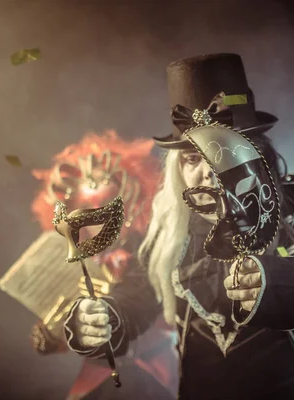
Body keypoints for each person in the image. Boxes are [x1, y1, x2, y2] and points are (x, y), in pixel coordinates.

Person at [63, 53, 294, 400]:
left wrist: (282, 283)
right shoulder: (169, 224)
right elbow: (138, 292)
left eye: (223, 151)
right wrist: (104, 319)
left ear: (257, 152)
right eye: (192, 158)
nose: (207, 171)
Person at [27, 131, 178, 399]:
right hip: (101, 376)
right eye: (86, 210)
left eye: (106, 208)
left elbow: (144, 303)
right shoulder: (77, 260)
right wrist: (53, 335)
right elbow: (68, 322)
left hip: (157, 368)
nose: (96, 220)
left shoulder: (149, 249)